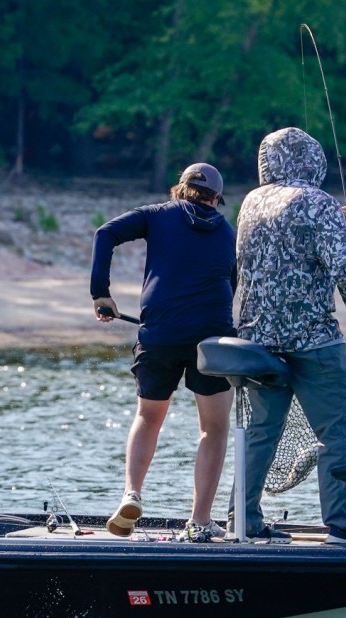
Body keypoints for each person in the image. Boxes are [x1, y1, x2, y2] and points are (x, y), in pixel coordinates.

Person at [229, 126, 346, 545]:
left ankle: (243, 519)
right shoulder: (319, 201)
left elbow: (280, 243)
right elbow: (345, 269)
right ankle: (343, 524)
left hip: (258, 342)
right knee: (339, 431)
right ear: (315, 161)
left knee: (262, 431)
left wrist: (332, 221)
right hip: (313, 340)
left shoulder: (252, 201)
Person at [90, 162, 236, 543]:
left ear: (180, 189)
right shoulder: (227, 232)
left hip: (160, 334)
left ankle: (131, 493)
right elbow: (234, 282)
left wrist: (100, 292)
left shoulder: (157, 215)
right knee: (213, 429)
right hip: (213, 339)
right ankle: (199, 521)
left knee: (148, 416)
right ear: (216, 199)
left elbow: (105, 233)